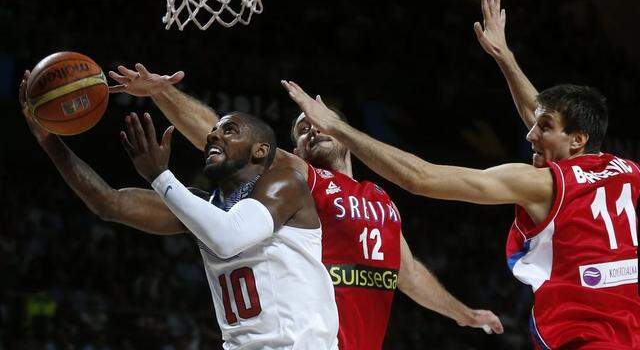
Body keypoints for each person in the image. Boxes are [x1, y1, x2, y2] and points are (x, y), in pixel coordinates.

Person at [284, 0, 640, 350]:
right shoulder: (627, 172)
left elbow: (420, 178)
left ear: (577, 140)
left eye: (542, 127)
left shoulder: (541, 182)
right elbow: (552, 121)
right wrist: (506, 59)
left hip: (586, 340)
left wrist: (337, 125)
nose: (530, 133)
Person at [108, 64, 504, 349]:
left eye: (317, 122)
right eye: (301, 129)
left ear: (344, 135)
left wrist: (463, 314)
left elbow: (410, 274)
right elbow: (219, 136)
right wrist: (162, 92)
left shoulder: (382, 201)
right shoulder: (301, 180)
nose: (311, 128)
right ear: (294, 149)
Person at [19, 70, 339, 350]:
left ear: (260, 150)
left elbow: (229, 237)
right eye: (214, 132)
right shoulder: (203, 209)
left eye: (229, 130)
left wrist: (161, 176)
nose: (214, 135)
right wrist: (48, 138)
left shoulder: (285, 184)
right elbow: (108, 202)